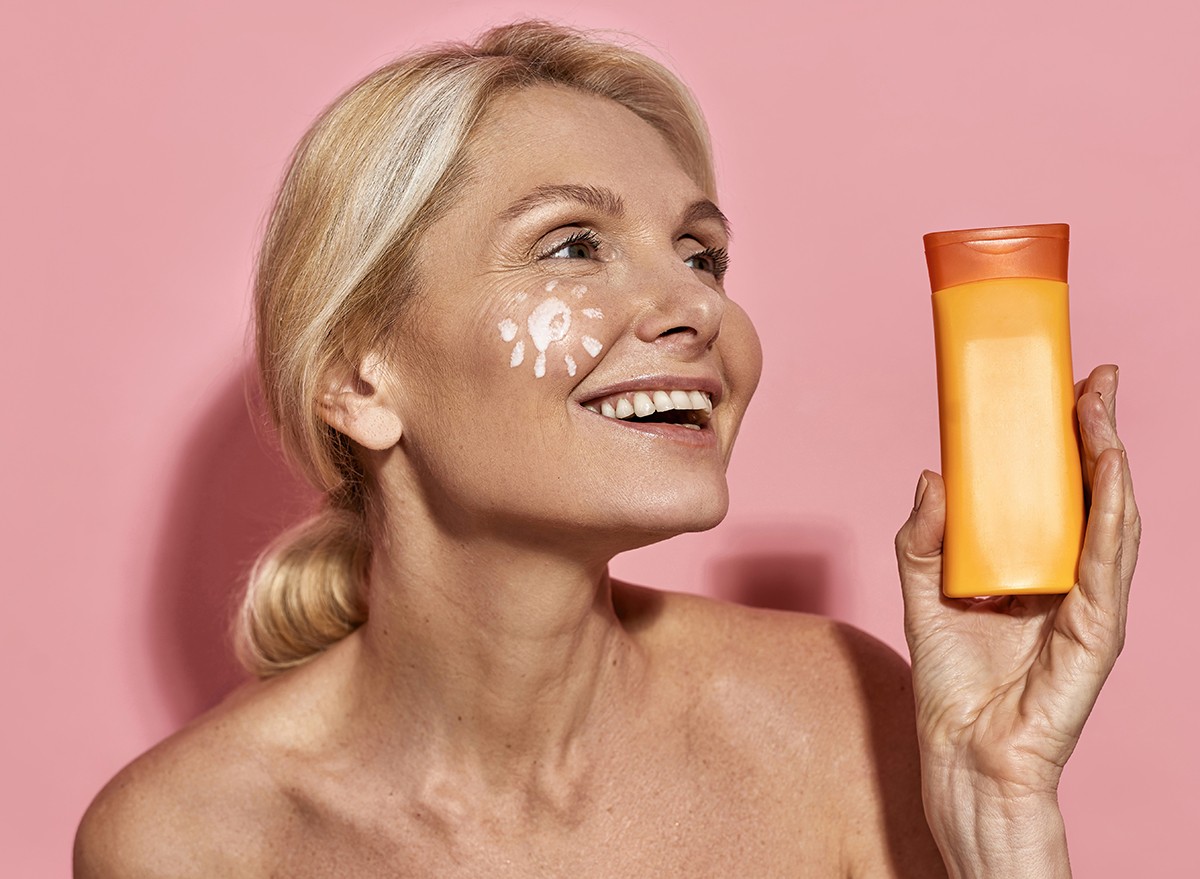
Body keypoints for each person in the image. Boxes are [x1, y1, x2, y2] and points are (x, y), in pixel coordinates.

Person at [74, 20, 1140, 877]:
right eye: (572, 245)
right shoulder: (186, 843)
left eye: (701, 254)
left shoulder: (835, 722)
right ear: (361, 378)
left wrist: (1001, 816)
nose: (693, 303)